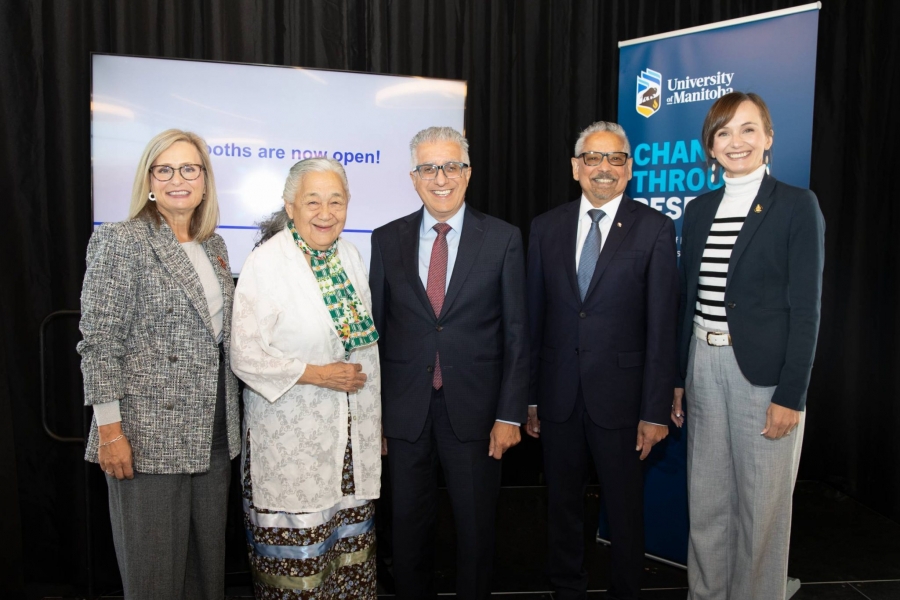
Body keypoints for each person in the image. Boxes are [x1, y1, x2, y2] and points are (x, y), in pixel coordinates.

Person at [672, 92, 825, 600]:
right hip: (703, 366)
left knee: (762, 509)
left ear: (768, 138)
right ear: (710, 147)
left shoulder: (797, 205)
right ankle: (707, 593)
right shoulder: (697, 210)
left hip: (763, 378)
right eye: (723, 132)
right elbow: (687, 299)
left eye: (747, 129)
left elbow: (807, 310)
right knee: (708, 502)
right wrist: (679, 378)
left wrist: (791, 394)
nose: (735, 142)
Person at [78, 129, 240, 600]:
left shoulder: (215, 246)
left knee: (204, 576)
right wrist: (110, 432)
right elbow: (100, 343)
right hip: (145, 437)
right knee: (155, 580)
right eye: (164, 169)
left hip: (212, 434)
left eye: (189, 168)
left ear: (205, 181)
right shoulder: (120, 240)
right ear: (149, 180)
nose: (178, 179)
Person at [369, 126, 529, 600]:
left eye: (452, 166)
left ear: (468, 172)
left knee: (476, 532)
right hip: (405, 413)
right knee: (407, 530)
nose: (441, 178)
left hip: (478, 415)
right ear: (414, 177)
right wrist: (373, 416)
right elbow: (373, 335)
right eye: (429, 168)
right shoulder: (386, 239)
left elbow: (518, 333)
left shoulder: (503, 239)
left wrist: (509, 414)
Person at [526, 121, 678, 600]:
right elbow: (534, 320)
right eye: (593, 158)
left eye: (615, 158)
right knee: (562, 506)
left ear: (630, 169)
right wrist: (530, 399)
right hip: (559, 398)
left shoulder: (654, 228)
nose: (604, 168)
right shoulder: (545, 228)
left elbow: (662, 329)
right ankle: (565, 587)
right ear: (576, 168)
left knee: (625, 509)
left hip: (624, 402)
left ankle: (625, 590)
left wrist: (654, 411)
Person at [230, 157, 381, 598]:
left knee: (348, 564)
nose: (325, 212)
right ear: (290, 206)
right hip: (289, 448)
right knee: (300, 571)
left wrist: (375, 427)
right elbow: (245, 355)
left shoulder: (350, 256)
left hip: (349, 446)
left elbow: (366, 354)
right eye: (312, 201)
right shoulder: (267, 262)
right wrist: (318, 375)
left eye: (336, 201)